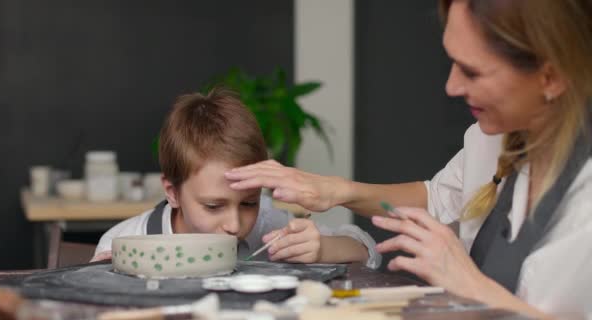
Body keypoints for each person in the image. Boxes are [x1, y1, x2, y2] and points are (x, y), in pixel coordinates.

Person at [224, 0, 592, 318]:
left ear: (550, 76)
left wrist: (470, 283)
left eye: (472, 71)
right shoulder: (493, 137)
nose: (451, 86)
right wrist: (337, 191)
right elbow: (440, 200)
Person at [92, 89, 381, 269]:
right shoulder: (122, 244)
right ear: (173, 192)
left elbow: (367, 250)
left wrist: (321, 249)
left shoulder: (268, 227)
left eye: (248, 203)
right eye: (213, 206)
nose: (234, 225)